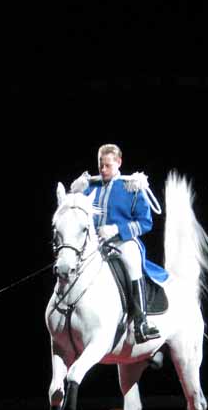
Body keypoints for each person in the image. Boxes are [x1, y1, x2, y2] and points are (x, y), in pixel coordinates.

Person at [70, 143, 166, 343]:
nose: (103, 170)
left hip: (123, 242)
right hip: (95, 242)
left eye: (107, 166)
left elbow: (145, 222)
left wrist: (117, 230)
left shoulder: (131, 186)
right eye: (100, 166)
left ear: (118, 163)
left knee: (132, 260)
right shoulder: (91, 186)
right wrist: (75, 192)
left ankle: (142, 322)